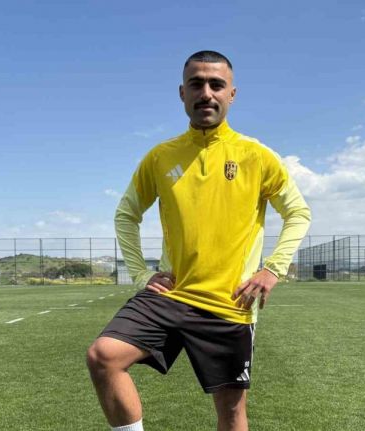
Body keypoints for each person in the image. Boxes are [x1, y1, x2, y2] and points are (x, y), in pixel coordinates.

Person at [87, 50, 311, 431]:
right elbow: (126, 214)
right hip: (170, 295)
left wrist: (273, 269)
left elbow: (298, 212)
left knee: (231, 411)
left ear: (231, 94)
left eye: (216, 85)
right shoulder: (160, 157)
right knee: (103, 356)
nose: (206, 93)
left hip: (229, 303)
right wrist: (142, 274)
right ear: (182, 93)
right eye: (197, 84)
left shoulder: (257, 156)